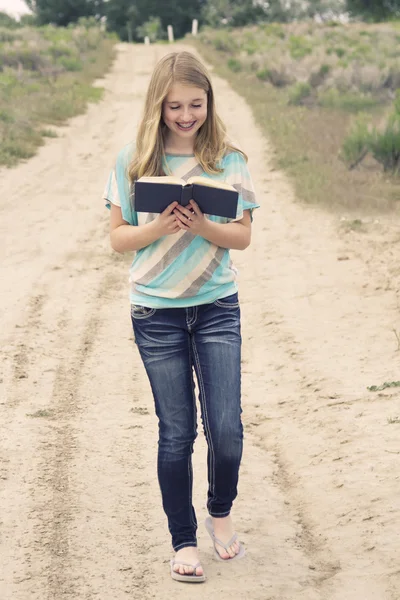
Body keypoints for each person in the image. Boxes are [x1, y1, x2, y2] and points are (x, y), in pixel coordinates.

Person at [103, 50, 259, 583]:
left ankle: (221, 511)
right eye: (175, 106)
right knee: (177, 432)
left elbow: (242, 235)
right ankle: (183, 539)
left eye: (196, 104)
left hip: (216, 306)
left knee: (227, 429)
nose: (186, 115)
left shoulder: (229, 161)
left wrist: (200, 226)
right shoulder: (132, 162)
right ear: (159, 106)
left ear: (209, 102)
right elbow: (118, 238)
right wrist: (162, 225)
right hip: (156, 311)